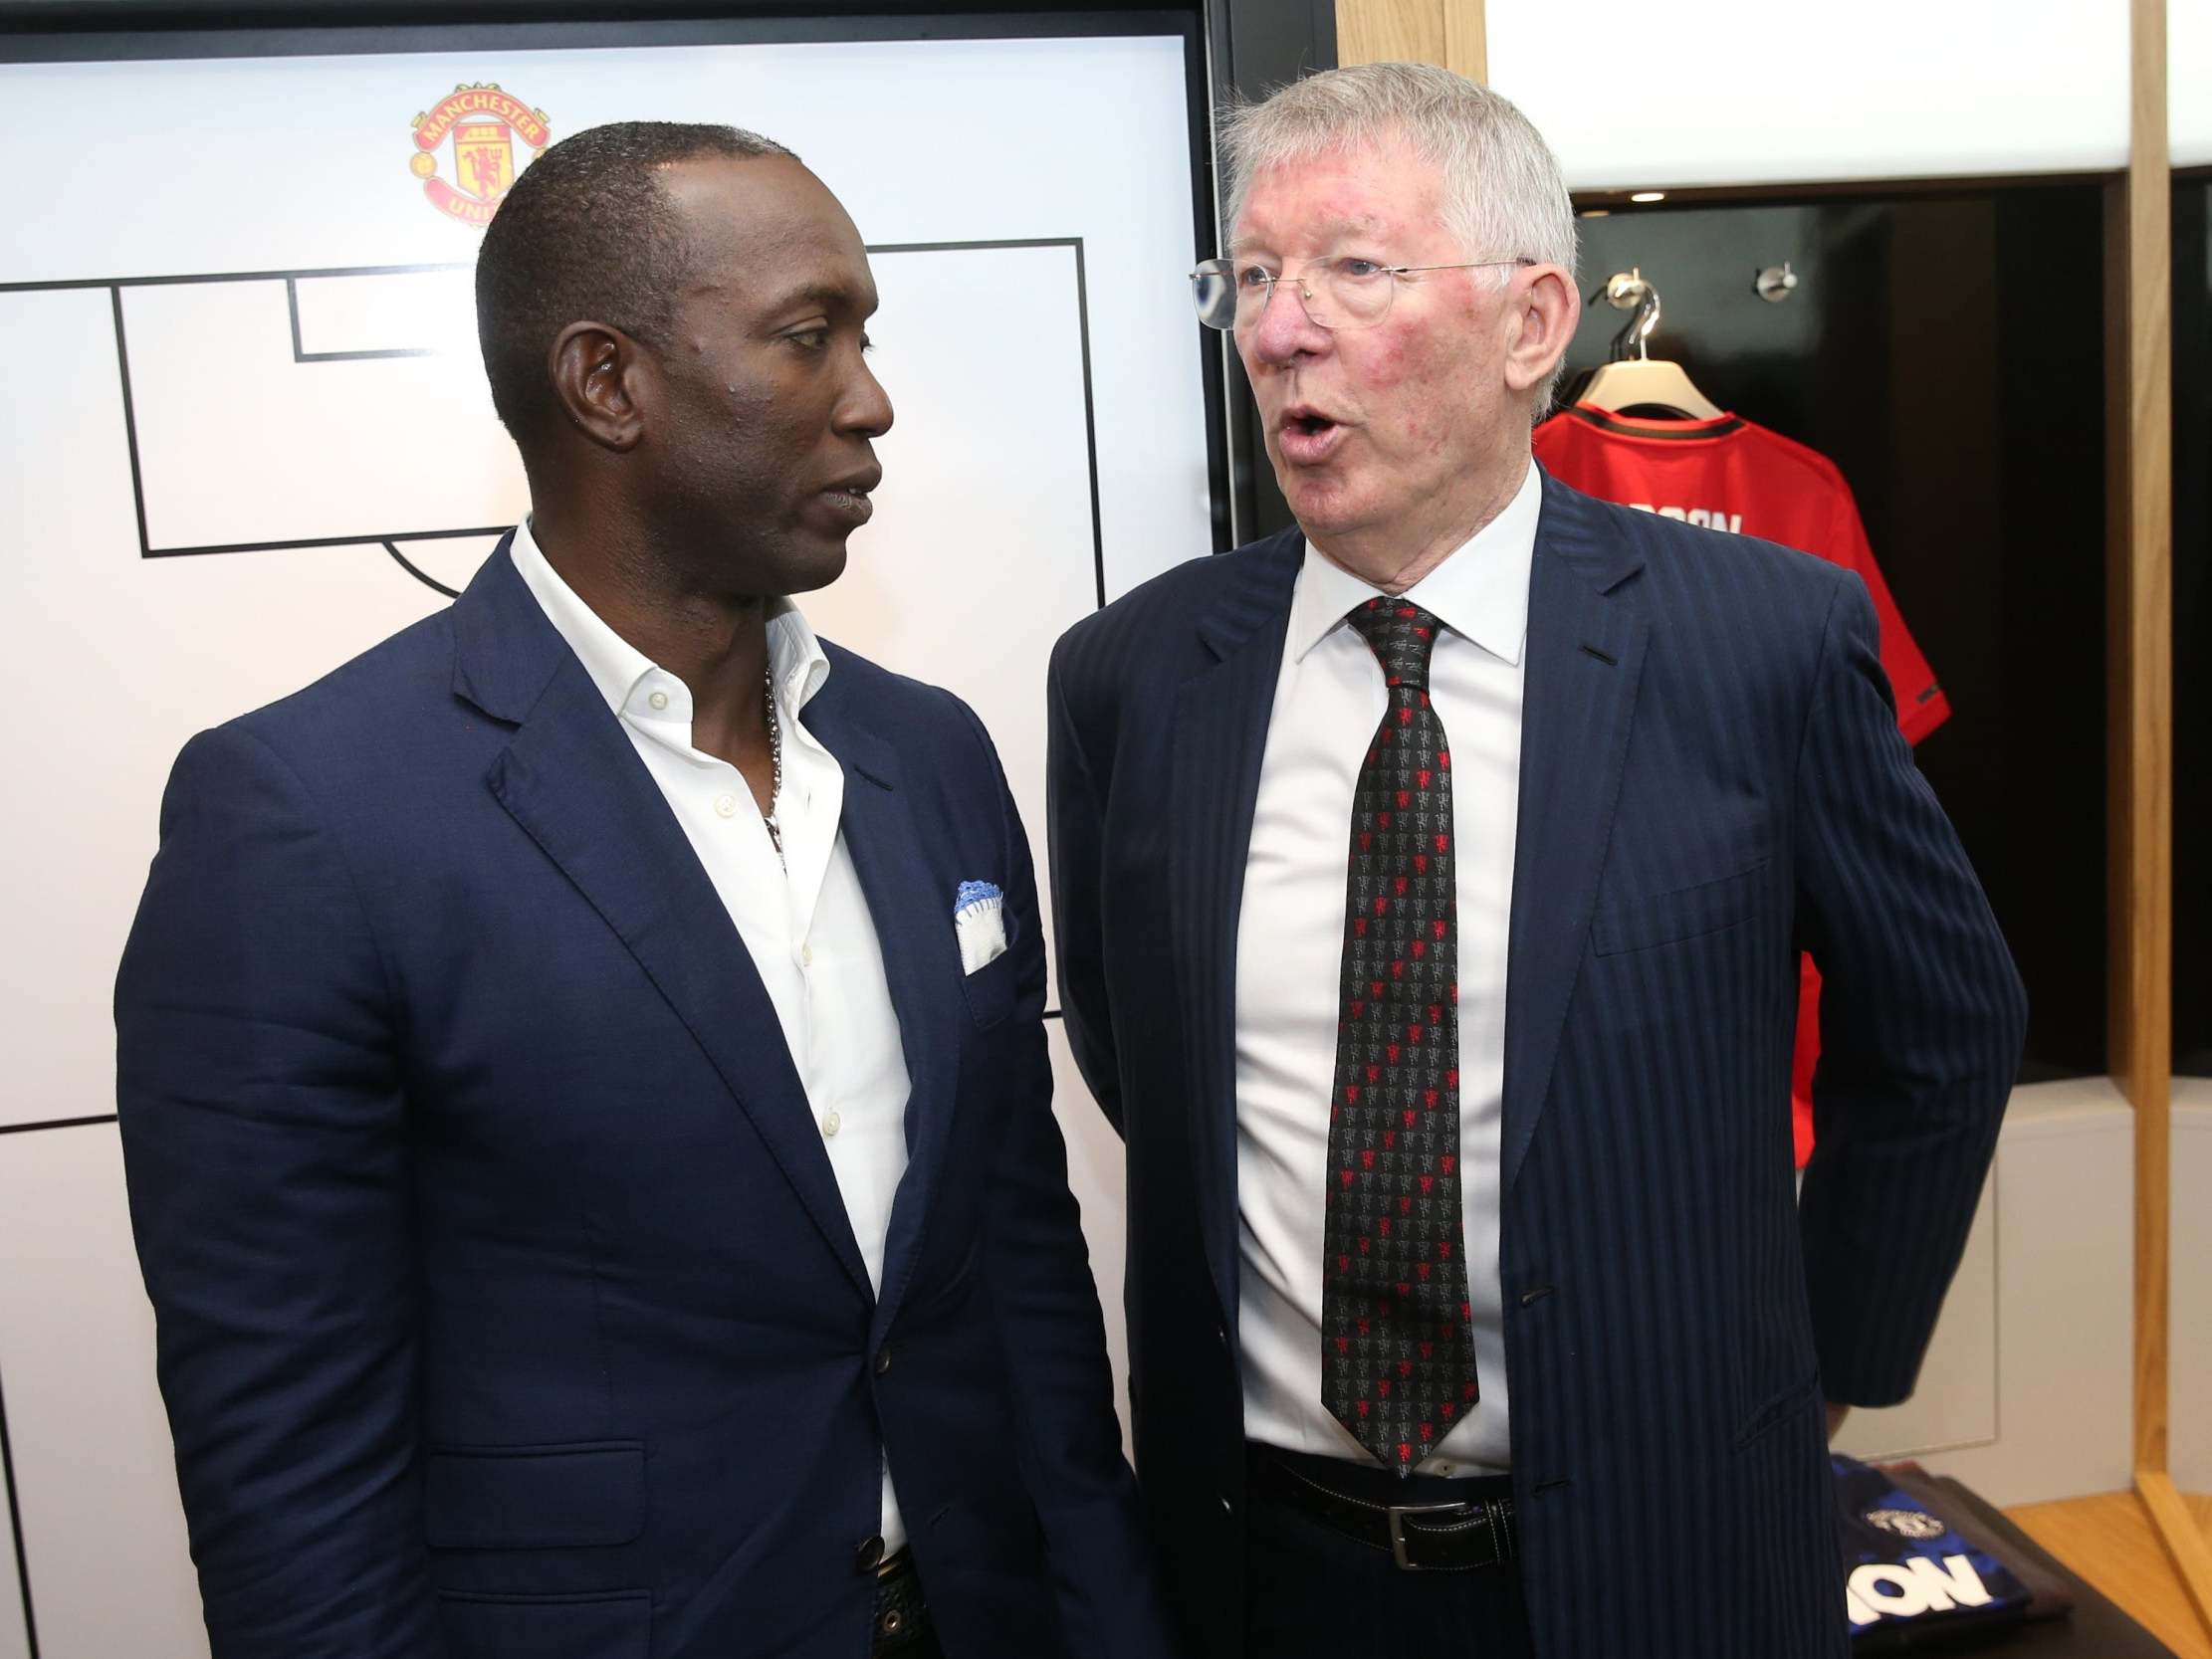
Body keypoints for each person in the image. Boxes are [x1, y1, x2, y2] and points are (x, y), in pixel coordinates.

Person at [116, 121, 1171, 1659]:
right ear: (607, 384)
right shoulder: (305, 817)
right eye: (809, 337)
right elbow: (289, 1466)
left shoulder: (925, 752)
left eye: (862, 339)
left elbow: (1017, 1268)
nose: (871, 402)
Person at [1046, 64, 2025, 1659]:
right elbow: (1129, 1052)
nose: (1282, 331)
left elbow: (1940, 1025)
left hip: (1675, 1539)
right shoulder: (1131, 677)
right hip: (1263, 1565)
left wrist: (1818, 1361)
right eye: (1252, 277)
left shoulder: (1758, 642)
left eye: (1353, 271)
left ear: (1529, 321)